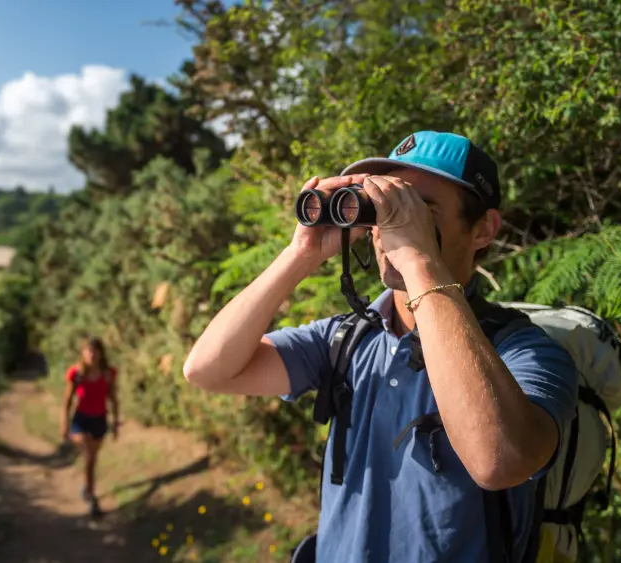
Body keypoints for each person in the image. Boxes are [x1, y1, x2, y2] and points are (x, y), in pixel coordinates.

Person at [182, 131, 578, 562]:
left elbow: (498, 462)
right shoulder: (349, 339)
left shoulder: (525, 352)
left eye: (421, 209)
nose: (390, 228)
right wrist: (302, 252)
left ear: (483, 229)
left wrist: (419, 258)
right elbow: (207, 369)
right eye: (384, 208)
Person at [61, 335, 119, 517]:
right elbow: (67, 401)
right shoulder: (76, 374)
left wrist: (115, 422)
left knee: (92, 459)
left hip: (99, 419)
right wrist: (64, 425)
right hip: (81, 420)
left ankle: (87, 487)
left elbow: (113, 399)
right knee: (88, 457)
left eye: (95, 351)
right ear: (83, 353)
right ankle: (92, 498)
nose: (91, 355)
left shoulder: (108, 374)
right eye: (88, 351)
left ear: (101, 354)